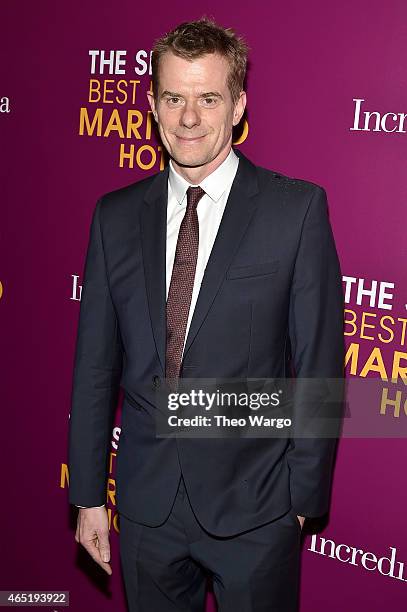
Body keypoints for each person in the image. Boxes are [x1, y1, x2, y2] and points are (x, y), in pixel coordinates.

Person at [68, 17, 344, 612]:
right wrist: (89, 494)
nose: (189, 118)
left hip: (257, 510)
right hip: (145, 509)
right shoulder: (113, 217)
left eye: (208, 97)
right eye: (174, 97)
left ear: (239, 104)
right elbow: (94, 366)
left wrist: (301, 502)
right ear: (152, 104)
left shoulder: (294, 211)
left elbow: (320, 362)